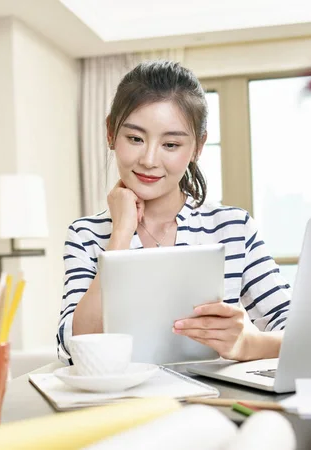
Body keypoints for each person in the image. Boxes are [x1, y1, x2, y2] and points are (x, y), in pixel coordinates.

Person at [58, 60, 291, 365]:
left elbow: (300, 334)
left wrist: (248, 342)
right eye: (135, 139)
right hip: (124, 407)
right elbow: (77, 347)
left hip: (213, 405)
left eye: (170, 144)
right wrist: (120, 234)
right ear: (111, 133)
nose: (150, 160)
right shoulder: (86, 234)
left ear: (197, 146)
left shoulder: (234, 228)